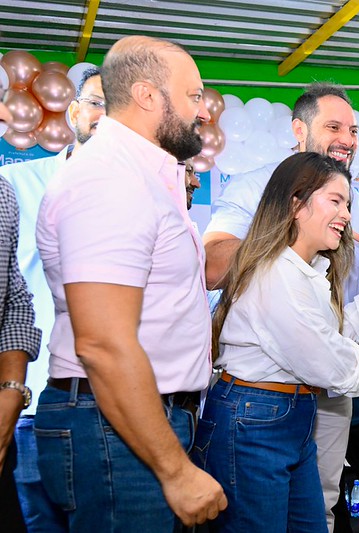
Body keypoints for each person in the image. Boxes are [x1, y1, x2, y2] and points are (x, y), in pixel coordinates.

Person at [34, 36, 227, 530]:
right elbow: (102, 344)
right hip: (115, 427)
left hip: (130, 422)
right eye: (193, 95)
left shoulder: (144, 175)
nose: (204, 110)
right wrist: (175, 471)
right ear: (146, 95)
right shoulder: (110, 179)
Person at [202, 83, 359, 531]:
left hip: (305, 402)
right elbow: (213, 265)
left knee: (318, 512)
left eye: (353, 130)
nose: (347, 139)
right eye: (334, 127)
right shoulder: (274, 260)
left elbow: (321, 329)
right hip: (263, 408)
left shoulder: (313, 262)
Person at [0, 66, 105, 532]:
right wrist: (11, 390)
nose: (106, 116)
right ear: (74, 111)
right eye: (97, 103)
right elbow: (13, 297)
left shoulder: (145, 196)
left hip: (112, 408)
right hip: (31, 400)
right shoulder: (15, 184)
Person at [0, 89, 43, 533]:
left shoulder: (3, 194)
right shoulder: (21, 181)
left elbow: (15, 299)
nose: (3, 112)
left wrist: (13, 390)